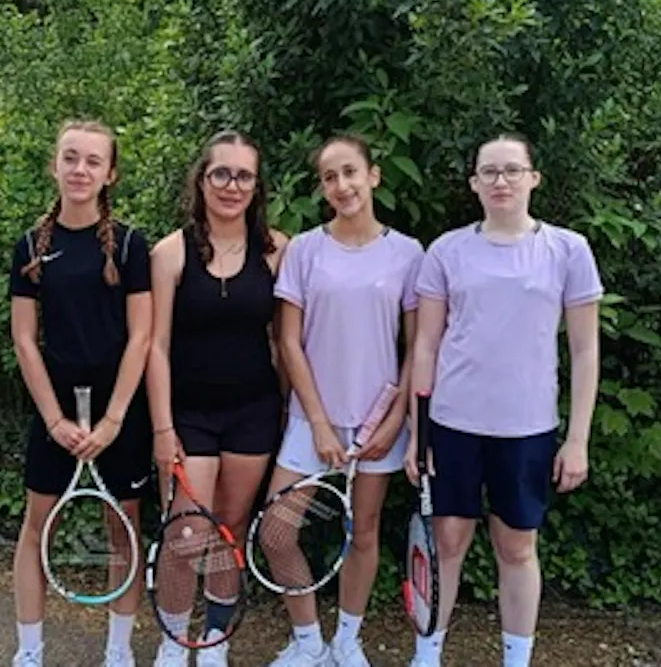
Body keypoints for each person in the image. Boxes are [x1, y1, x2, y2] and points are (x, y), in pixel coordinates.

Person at [405, 132, 602, 667]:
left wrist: (578, 439)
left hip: (527, 428)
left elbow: (585, 351)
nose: (501, 181)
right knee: (447, 541)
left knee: (516, 547)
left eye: (512, 170)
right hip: (452, 424)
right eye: (489, 171)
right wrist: (419, 433)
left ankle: (516, 659)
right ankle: (427, 655)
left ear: (533, 178)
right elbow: (425, 346)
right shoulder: (446, 251)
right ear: (474, 183)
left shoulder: (568, 250)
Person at [266, 135, 423, 667]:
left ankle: (346, 641)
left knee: (365, 531)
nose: (342, 185)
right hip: (311, 419)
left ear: (373, 176)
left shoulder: (408, 253)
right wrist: (318, 422)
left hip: (377, 423)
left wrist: (396, 420)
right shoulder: (305, 250)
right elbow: (289, 342)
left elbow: (417, 347)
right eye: (330, 177)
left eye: (351, 172)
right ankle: (308, 641)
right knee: (277, 532)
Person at [8, 120, 153, 667]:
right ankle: (29, 653)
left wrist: (113, 420)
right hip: (57, 410)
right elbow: (25, 339)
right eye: (70, 157)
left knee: (125, 530)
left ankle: (118, 652)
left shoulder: (131, 244)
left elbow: (142, 337)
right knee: (35, 528)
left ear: (110, 173)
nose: (80, 170)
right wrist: (53, 419)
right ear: (55, 165)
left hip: (121, 412)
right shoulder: (30, 246)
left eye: (93, 161)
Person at [146, 131, 289, 667]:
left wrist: (295, 413)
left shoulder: (278, 251)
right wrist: (163, 428)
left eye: (243, 175)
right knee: (186, 531)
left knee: (229, 529)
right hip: (188, 415)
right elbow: (156, 346)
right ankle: (173, 641)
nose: (232, 185)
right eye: (221, 173)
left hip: (253, 413)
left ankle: (214, 640)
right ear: (202, 181)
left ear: (256, 186)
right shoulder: (170, 253)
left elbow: (284, 342)